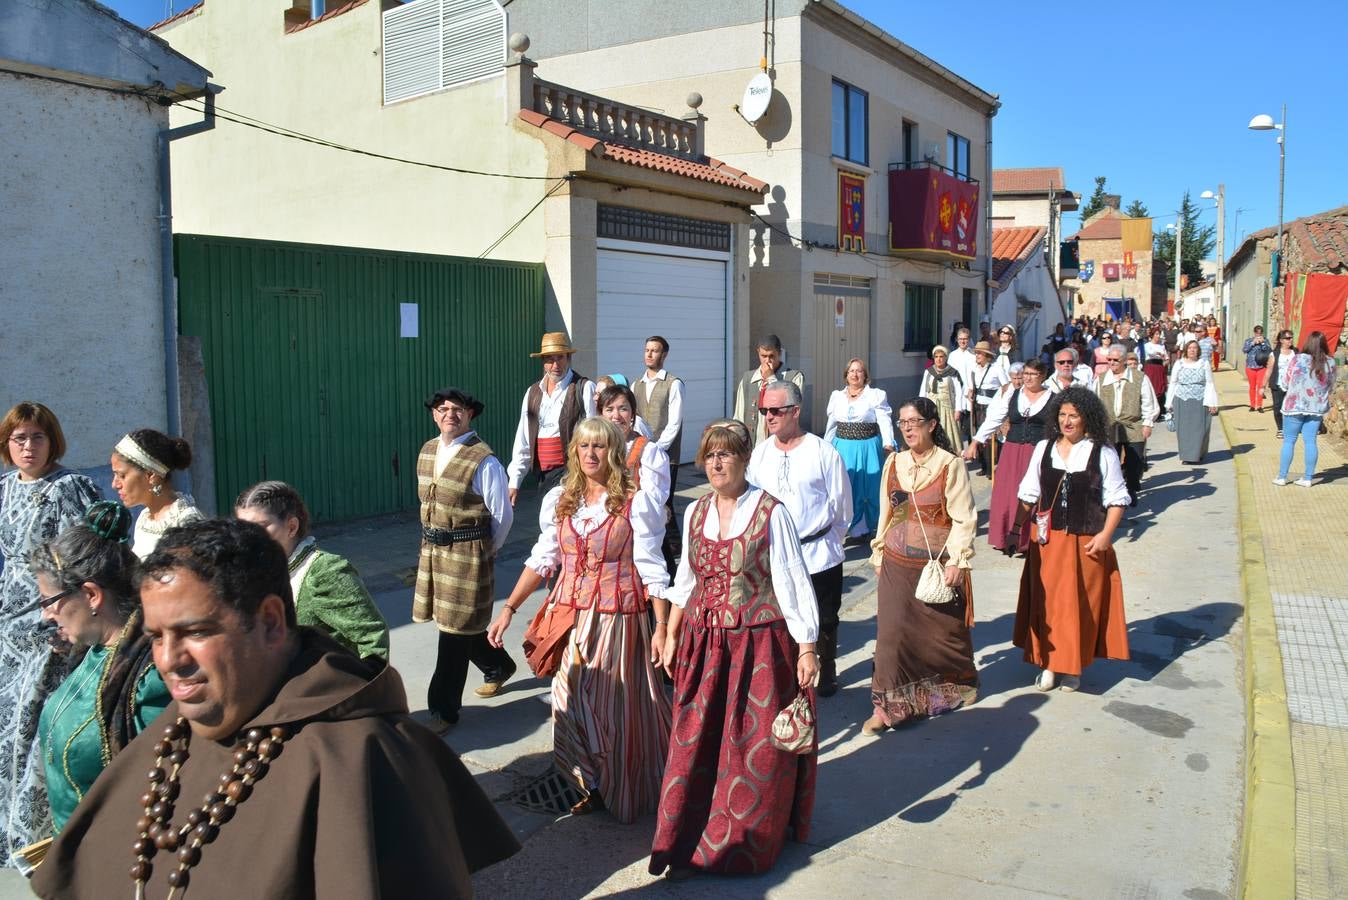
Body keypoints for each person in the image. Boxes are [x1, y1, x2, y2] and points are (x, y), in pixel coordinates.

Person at [32, 518, 519, 898]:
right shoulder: (176, 731)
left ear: (268, 621)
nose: (169, 661)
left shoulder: (368, 758)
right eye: (157, 637)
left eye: (196, 632)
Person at [649, 419, 818, 879]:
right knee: (695, 743)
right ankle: (688, 837)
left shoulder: (771, 512)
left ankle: (744, 845)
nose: (717, 463)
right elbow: (686, 581)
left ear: (745, 459)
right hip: (704, 645)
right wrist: (667, 632)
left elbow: (793, 583)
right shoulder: (695, 511)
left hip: (759, 647)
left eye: (726, 454)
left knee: (751, 747)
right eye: (710, 455)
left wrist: (807, 648)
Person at [489, 417, 672, 821]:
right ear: (574, 452)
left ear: (614, 453)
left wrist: (662, 627)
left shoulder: (634, 501)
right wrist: (508, 608)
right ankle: (589, 780)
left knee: (606, 706)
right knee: (565, 699)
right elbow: (544, 559)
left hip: (616, 621)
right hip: (570, 617)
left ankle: (613, 783)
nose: (591, 454)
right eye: (584, 446)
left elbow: (651, 566)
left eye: (600, 447)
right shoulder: (563, 500)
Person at [0, 401, 100, 865]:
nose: (28, 446)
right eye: (18, 438)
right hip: (9, 630)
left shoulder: (70, 488)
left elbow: (85, 561)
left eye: (37, 437)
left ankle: (35, 837)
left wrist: (66, 625)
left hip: (51, 624)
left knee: (33, 725)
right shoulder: (5, 489)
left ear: (52, 441)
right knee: (7, 729)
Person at [32, 503, 169, 838]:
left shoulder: (152, 678)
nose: (47, 616)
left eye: (50, 601)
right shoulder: (91, 652)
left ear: (91, 595)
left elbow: (164, 788)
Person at [864, 397, 978, 734]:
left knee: (940, 636)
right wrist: (879, 551)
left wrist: (958, 559)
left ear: (932, 425)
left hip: (934, 566)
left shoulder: (949, 465)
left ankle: (956, 684)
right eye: (902, 422)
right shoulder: (894, 463)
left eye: (914, 421)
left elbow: (963, 518)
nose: (907, 427)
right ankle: (884, 708)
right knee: (890, 634)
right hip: (897, 564)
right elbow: (888, 512)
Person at [1009, 387, 1130, 692]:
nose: (1067, 421)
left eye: (1073, 415)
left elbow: (1117, 499)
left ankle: (1074, 667)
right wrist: (1016, 529)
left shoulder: (1103, 452)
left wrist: (1105, 535)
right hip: (1049, 543)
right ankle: (1050, 664)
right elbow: (1029, 494)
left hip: (1087, 541)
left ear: (1086, 418)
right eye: (1062, 414)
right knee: (1050, 606)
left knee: (1082, 607)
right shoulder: (1044, 448)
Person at [411, 387, 514, 732]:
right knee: (458, 623)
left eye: (457, 409)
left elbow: (503, 515)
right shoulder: (427, 450)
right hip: (433, 552)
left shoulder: (483, 459)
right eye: (442, 409)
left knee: (452, 633)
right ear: (434, 415)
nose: (449, 414)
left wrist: (485, 550)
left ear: (471, 415)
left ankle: (443, 710)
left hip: (467, 553)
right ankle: (498, 665)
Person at [749, 381, 850, 697]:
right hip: (774, 555)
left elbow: (841, 506)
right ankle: (785, 675)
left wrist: (828, 538)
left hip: (818, 552)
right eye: (765, 410)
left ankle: (828, 670)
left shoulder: (822, 452)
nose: (769, 417)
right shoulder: (761, 454)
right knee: (780, 619)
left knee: (825, 617)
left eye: (776, 410)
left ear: (796, 411)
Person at [235, 481, 390, 662]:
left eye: (260, 527)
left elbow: (373, 637)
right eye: (242, 529)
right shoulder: (256, 570)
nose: (248, 538)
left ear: (292, 527)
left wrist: (367, 687)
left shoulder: (324, 571)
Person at [964, 359, 1053, 553]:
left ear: (1043, 376)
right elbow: (995, 418)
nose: (1027, 378)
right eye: (1026, 373)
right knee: (1007, 493)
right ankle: (1006, 538)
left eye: (1033, 374)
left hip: (1038, 452)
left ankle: (1030, 540)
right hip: (1012, 450)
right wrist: (976, 441)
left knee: (1034, 494)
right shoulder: (1014, 395)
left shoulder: (1052, 398)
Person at [507, 332, 596, 505]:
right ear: (543, 361)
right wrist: (514, 482)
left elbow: (593, 436)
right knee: (548, 525)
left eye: (560, 357)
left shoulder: (583, 388)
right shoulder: (532, 392)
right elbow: (523, 440)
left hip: (572, 474)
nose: (555, 364)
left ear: (568, 358)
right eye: (549, 359)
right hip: (543, 476)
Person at [823, 358, 894, 541]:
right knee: (843, 487)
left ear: (865, 375)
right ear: (846, 375)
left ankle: (862, 529)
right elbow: (832, 425)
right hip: (842, 447)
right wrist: (825, 447)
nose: (855, 374)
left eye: (859, 371)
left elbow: (884, 419)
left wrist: (888, 442)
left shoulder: (875, 395)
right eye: (851, 371)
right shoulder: (837, 396)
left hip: (867, 447)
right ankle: (843, 525)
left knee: (867, 486)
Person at [632, 335, 684, 574]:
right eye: (647, 350)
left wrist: (657, 450)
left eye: (655, 351)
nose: (649, 354)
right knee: (647, 501)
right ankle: (659, 547)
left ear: (664, 355)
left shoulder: (674, 384)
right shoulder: (636, 385)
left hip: (665, 455)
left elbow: (674, 422)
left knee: (665, 501)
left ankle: (675, 550)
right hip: (640, 456)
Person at [110, 429, 203, 559]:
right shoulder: (145, 518)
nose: (115, 485)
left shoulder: (186, 522)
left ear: (150, 475)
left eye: (122, 475)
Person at [1274, 331, 1337, 488]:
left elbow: (1285, 381)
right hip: (1316, 408)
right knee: (1310, 442)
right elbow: (1331, 385)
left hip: (1294, 406)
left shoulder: (1298, 358)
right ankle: (1308, 478)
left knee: (1289, 441)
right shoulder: (1330, 362)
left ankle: (1282, 477)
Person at [1096, 346, 1158, 503]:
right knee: (1111, 460)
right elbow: (1095, 403)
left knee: (1134, 460)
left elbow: (1149, 402)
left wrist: (1148, 423)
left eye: (1115, 360)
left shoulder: (1139, 378)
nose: (1111, 363)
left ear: (1124, 360)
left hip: (1133, 424)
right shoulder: (1101, 379)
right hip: (1109, 426)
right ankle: (1114, 492)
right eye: (1109, 360)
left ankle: (1131, 487)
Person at [599, 383, 672, 511]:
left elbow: (653, 501)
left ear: (632, 414)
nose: (616, 416)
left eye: (623, 409)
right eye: (609, 409)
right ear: (601, 415)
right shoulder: (593, 447)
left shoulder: (648, 451)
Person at [733, 334, 806, 445]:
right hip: (752, 448)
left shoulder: (795, 377)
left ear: (780, 353)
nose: (767, 361)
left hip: (781, 445)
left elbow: (793, 412)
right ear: (758, 352)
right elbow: (738, 418)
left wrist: (771, 378)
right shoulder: (747, 379)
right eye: (764, 356)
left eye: (772, 356)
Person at [1166, 341, 1219, 464]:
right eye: (1190, 348)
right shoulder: (1179, 364)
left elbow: (1209, 383)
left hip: (1200, 399)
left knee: (1199, 429)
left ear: (1198, 350)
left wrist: (1212, 402)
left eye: (1195, 348)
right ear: (1185, 350)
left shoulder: (1204, 364)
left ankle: (1197, 454)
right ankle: (1186, 456)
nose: (1192, 350)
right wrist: (1169, 403)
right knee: (1183, 430)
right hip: (1181, 399)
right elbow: (1173, 382)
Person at [966, 341, 1007, 475]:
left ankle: (992, 468)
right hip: (977, 405)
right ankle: (984, 466)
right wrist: (971, 392)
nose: (977, 355)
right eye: (976, 353)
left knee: (990, 437)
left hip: (991, 406)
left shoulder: (997, 369)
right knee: (978, 434)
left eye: (979, 353)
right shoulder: (974, 368)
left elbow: (1005, 387)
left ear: (987, 355)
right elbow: (973, 386)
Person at [919, 345, 966, 451]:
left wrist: (958, 410)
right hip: (932, 408)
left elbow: (959, 392)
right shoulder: (929, 372)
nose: (939, 359)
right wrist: (921, 408)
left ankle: (951, 455)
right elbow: (923, 390)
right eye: (936, 357)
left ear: (946, 358)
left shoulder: (952, 373)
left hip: (947, 408)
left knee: (948, 433)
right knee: (932, 432)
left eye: (941, 356)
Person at [1265, 330, 1297, 438]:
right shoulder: (1274, 354)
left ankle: (1290, 428)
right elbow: (1269, 370)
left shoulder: (1296, 352)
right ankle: (1280, 428)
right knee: (1277, 408)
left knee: (1291, 408)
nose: (1290, 340)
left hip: (1293, 385)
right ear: (1281, 340)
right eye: (1288, 338)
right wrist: (1262, 386)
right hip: (1278, 385)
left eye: (1291, 338)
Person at [1241, 326, 1272, 413]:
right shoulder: (1248, 341)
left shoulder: (1266, 341)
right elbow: (1244, 350)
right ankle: (1252, 405)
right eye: (1257, 333)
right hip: (1250, 366)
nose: (1259, 335)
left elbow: (1269, 351)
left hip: (1261, 367)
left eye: (1260, 333)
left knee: (1260, 386)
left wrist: (1263, 343)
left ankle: (1259, 405)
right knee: (1252, 387)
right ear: (1254, 333)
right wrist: (1253, 343)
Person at [1142, 327, 1169, 405]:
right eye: (1156, 334)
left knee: (1161, 387)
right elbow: (1150, 353)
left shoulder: (1162, 346)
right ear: (1152, 335)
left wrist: (1165, 362)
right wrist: (1158, 353)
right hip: (1151, 368)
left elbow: (1166, 357)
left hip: (1160, 368)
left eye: (1159, 334)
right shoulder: (1147, 345)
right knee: (1151, 386)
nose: (1158, 336)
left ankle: (1161, 407)